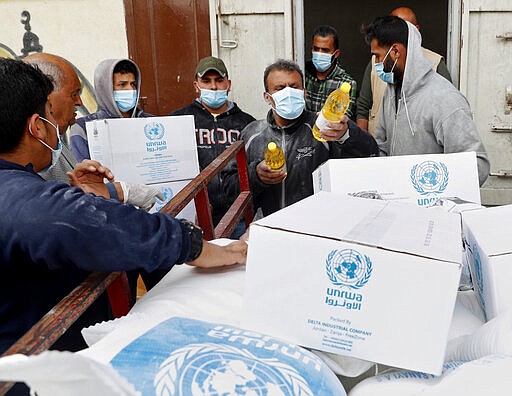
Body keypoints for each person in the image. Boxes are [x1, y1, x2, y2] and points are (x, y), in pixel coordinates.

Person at [0, 58, 247, 357]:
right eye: (50, 112)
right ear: (37, 126)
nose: (77, 105)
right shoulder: (19, 197)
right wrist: (201, 248)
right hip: (35, 372)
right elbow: (93, 225)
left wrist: (85, 196)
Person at [224, 59, 379, 218]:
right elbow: (229, 190)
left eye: (294, 87)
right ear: (267, 97)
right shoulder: (252, 134)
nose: (288, 93)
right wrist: (255, 175)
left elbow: (370, 156)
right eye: (280, 88)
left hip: (316, 226)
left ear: (304, 93)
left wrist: (347, 134)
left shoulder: (325, 128)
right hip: (269, 226)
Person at [24, 53, 162, 211]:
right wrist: (116, 191)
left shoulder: (55, 139)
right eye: (74, 94)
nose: (79, 102)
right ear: (46, 96)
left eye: (133, 84)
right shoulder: (36, 148)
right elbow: (51, 206)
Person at [363, 16, 489, 186]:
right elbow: (382, 148)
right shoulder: (391, 93)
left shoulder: (444, 98)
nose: (376, 63)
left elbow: (477, 164)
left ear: (395, 51)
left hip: (433, 209)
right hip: (399, 205)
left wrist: (435, 195)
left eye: (377, 56)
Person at [170, 56, 255, 236]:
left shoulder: (247, 123)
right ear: (196, 86)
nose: (214, 87)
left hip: (237, 217)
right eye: (206, 81)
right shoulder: (179, 121)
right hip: (194, 218)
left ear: (228, 84)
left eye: (219, 80)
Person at [357, 7, 452, 134]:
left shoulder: (438, 74)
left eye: (404, 29)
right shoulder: (390, 86)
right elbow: (363, 108)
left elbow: (465, 148)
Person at [70, 58, 151, 162]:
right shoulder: (83, 127)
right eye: (122, 84)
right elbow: (81, 168)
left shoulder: (151, 122)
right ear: (105, 89)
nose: (130, 90)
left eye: (133, 84)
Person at [305, 25, 357, 117]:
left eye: (325, 50)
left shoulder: (347, 83)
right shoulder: (302, 74)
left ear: (336, 54)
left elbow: (340, 118)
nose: (320, 53)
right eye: (316, 49)